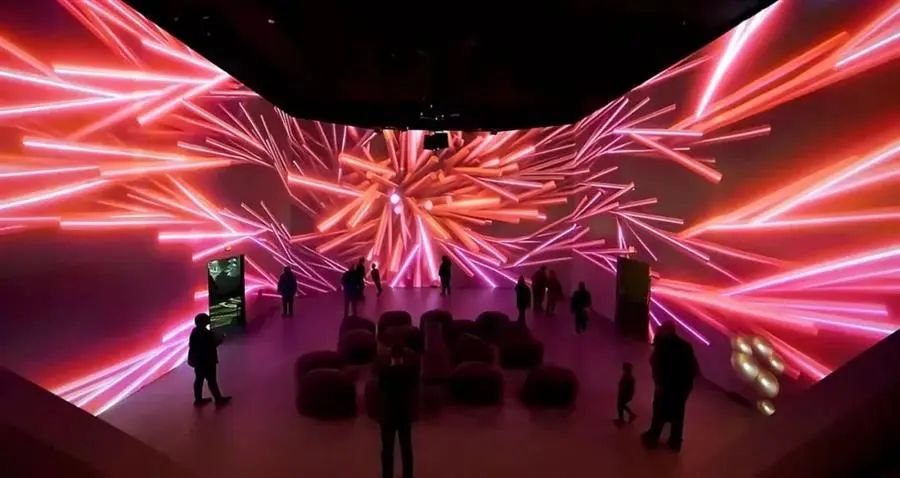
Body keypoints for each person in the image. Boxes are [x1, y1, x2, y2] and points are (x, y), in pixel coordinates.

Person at [642, 321, 699, 452]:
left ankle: (653, 438)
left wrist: (659, 384)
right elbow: (693, 368)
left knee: (659, 411)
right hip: (682, 387)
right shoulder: (685, 346)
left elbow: (657, 365)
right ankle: (675, 442)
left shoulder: (663, 346)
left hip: (666, 385)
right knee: (678, 414)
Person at [378, 344, 417, 478]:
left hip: (388, 415)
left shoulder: (384, 372)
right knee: (406, 448)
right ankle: (408, 475)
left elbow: (381, 390)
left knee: (387, 449)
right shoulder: (409, 372)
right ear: (402, 356)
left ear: (391, 356)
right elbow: (413, 389)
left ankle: (387, 475)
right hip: (404, 415)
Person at [187, 313, 231, 407]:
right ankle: (218, 399)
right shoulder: (205, 332)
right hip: (207, 360)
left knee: (199, 380)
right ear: (203, 322)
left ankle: (198, 400)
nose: (209, 320)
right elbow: (212, 344)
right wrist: (221, 338)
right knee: (211, 380)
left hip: (199, 361)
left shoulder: (195, 331)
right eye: (207, 319)